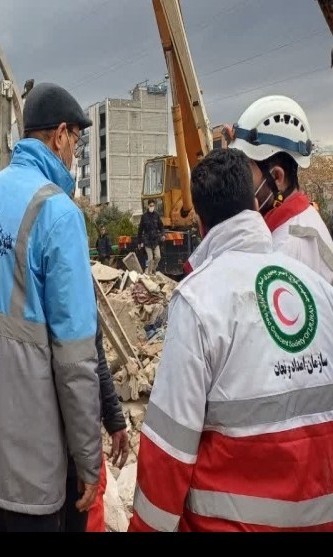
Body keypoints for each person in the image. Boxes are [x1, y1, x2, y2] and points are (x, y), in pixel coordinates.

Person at [129, 148, 333, 532]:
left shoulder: (197, 301)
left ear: (202, 225)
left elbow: (168, 451)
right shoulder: (320, 290)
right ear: (255, 205)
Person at [0, 82, 101, 532]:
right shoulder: (59, 214)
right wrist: (88, 461)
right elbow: (76, 358)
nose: (75, 151)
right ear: (60, 135)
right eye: (77, 139)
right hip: (32, 474)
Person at [225, 95, 333, 283]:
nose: (240, 180)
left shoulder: (284, 250)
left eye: (246, 170)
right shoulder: (294, 222)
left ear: (277, 177)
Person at [62, 319, 128, 532]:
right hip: (50, 439)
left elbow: (95, 355)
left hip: (80, 437)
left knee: (88, 508)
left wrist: (113, 417)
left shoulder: (81, 289)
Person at [138, 200, 164, 275]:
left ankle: (153, 269)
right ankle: (149, 274)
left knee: (158, 257)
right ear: (148, 206)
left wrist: (162, 234)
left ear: (154, 206)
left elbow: (161, 226)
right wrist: (139, 242)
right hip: (147, 241)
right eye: (150, 205)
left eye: (153, 205)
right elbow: (140, 230)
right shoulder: (144, 216)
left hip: (155, 240)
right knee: (150, 259)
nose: (152, 207)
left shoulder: (157, 215)